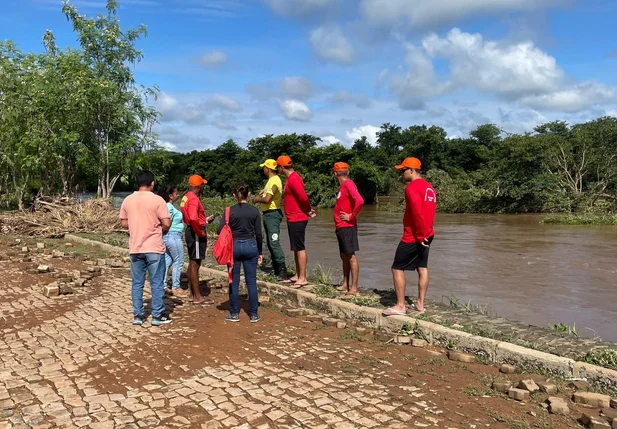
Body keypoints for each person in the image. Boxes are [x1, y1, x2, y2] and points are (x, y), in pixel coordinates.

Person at [383, 157, 436, 316]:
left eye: (403, 170)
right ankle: (420, 303)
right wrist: (426, 234)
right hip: (428, 233)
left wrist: (419, 235)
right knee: (422, 267)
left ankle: (400, 306)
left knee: (397, 268)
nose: (401, 173)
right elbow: (430, 212)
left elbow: (417, 213)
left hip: (414, 235)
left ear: (411, 170)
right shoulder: (429, 187)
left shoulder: (412, 187)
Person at [119, 171, 172, 326]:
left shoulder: (128, 200)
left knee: (137, 283)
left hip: (135, 247)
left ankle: (138, 315)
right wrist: (157, 229)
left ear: (137, 183)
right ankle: (156, 315)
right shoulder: (158, 200)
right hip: (154, 247)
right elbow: (167, 223)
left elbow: (123, 223)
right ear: (152, 183)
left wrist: (137, 226)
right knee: (156, 283)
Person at [218, 184, 263, 323]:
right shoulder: (255, 211)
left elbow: (220, 229)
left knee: (233, 281)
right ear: (248, 195)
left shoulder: (228, 211)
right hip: (250, 245)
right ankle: (254, 314)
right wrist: (260, 252)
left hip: (234, 247)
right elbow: (259, 234)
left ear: (234, 196)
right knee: (251, 281)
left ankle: (234, 313)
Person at [276, 155, 315, 289]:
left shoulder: (293, 179)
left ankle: (303, 278)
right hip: (293, 217)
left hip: (298, 218)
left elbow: (303, 197)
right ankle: (298, 275)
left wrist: (308, 210)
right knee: (295, 247)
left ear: (282, 167)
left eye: (278, 167)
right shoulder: (291, 178)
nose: (278, 170)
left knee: (300, 247)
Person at [180, 174, 215, 305]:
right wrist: (200, 232)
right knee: (195, 264)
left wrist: (204, 221)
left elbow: (190, 217)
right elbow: (194, 218)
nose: (203, 187)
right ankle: (197, 297)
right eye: (202, 185)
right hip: (195, 231)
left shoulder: (186, 197)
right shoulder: (194, 199)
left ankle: (192, 293)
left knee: (192, 262)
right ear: (199, 186)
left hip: (190, 229)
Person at [251, 159, 288, 281]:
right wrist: (263, 192)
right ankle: (276, 268)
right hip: (268, 214)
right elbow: (268, 194)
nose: (263, 170)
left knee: (274, 242)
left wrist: (257, 199)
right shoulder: (271, 181)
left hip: (273, 214)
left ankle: (282, 270)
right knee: (270, 242)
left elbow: (267, 199)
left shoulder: (274, 181)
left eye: (264, 167)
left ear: (268, 168)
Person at [332, 162, 364, 299]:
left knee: (350, 256)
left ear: (334, 174)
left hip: (347, 227)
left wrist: (351, 215)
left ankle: (354, 288)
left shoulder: (348, 184)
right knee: (344, 256)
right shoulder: (344, 186)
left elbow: (360, 200)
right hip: (341, 227)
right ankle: (346, 284)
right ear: (347, 172)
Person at [158, 184, 185, 296]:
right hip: (173, 235)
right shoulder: (169, 207)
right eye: (176, 193)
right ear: (170, 195)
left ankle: (163, 285)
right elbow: (166, 222)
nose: (177, 195)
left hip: (169, 236)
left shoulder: (168, 206)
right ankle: (176, 286)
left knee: (167, 260)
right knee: (179, 260)